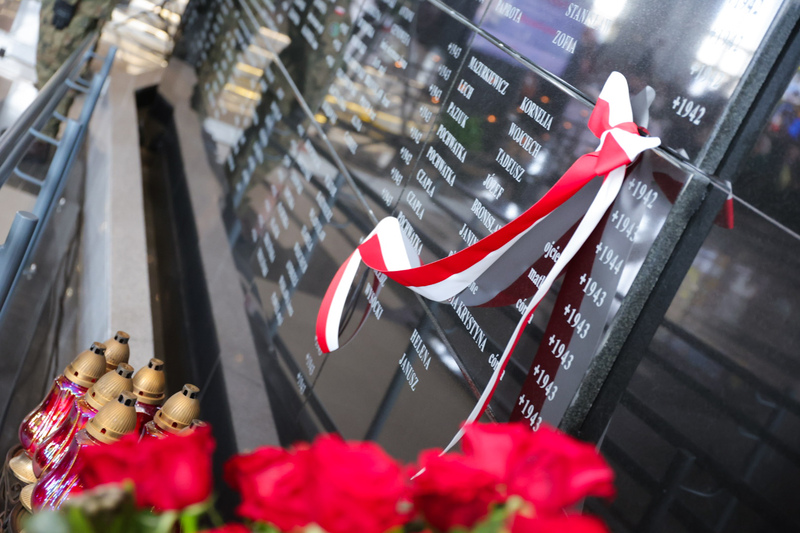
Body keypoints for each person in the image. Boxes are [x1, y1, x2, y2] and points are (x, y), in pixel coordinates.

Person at [36, 0, 116, 137]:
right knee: (65, 70)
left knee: (52, 71)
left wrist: (67, 3)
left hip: (75, 9)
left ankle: (42, 137)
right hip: (86, 9)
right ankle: (40, 134)